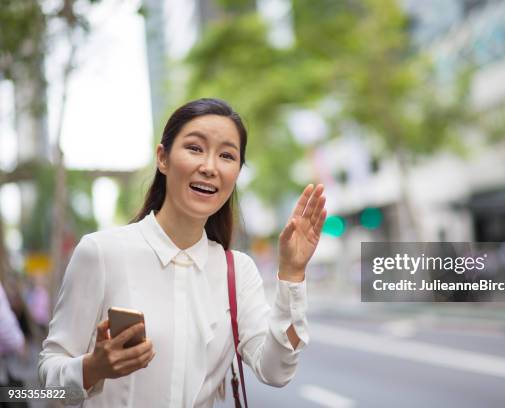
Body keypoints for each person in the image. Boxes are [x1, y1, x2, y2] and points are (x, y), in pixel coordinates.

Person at [38, 98, 327, 407]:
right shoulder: (101, 253)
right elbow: (46, 383)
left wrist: (293, 273)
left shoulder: (237, 271)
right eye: (195, 148)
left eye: (227, 156)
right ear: (163, 158)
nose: (210, 167)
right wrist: (92, 368)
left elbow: (276, 371)